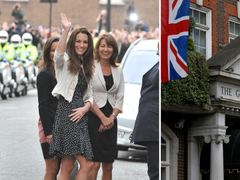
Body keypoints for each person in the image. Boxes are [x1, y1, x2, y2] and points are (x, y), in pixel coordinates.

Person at [49, 13, 94, 180]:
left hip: (80, 113)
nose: (81, 45)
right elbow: (58, 55)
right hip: (68, 112)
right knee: (86, 164)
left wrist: (86, 108)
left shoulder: (88, 65)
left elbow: (90, 95)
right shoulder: (65, 61)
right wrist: (67, 29)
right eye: (78, 41)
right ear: (72, 42)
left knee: (67, 165)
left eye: (85, 42)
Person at [88, 33, 124, 180]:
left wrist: (111, 118)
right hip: (94, 116)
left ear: (113, 49)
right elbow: (87, 95)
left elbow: (120, 96)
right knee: (94, 164)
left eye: (109, 46)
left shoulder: (118, 69)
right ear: (98, 48)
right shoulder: (90, 67)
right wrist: (103, 118)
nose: (106, 49)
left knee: (108, 165)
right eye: (102, 46)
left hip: (112, 118)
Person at [36, 37, 60, 180]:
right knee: (52, 168)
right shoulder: (44, 75)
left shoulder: (66, 72)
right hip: (49, 126)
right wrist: (49, 132)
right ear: (47, 52)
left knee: (63, 167)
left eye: (59, 50)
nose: (56, 53)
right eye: (53, 50)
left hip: (64, 125)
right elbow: (43, 105)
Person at [131, 60, 159, 180]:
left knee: (155, 168)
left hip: (155, 122)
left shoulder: (165, 64)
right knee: (153, 167)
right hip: (151, 122)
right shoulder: (157, 65)